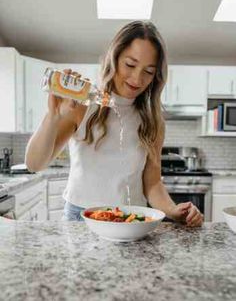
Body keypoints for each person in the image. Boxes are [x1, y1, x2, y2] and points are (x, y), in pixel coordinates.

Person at [25, 20, 203, 227]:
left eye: (148, 71)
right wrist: (53, 115)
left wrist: (173, 210)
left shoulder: (152, 121)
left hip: (132, 219)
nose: (137, 78)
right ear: (114, 59)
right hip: (81, 219)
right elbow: (34, 164)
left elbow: (152, 182)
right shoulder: (82, 105)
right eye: (130, 64)